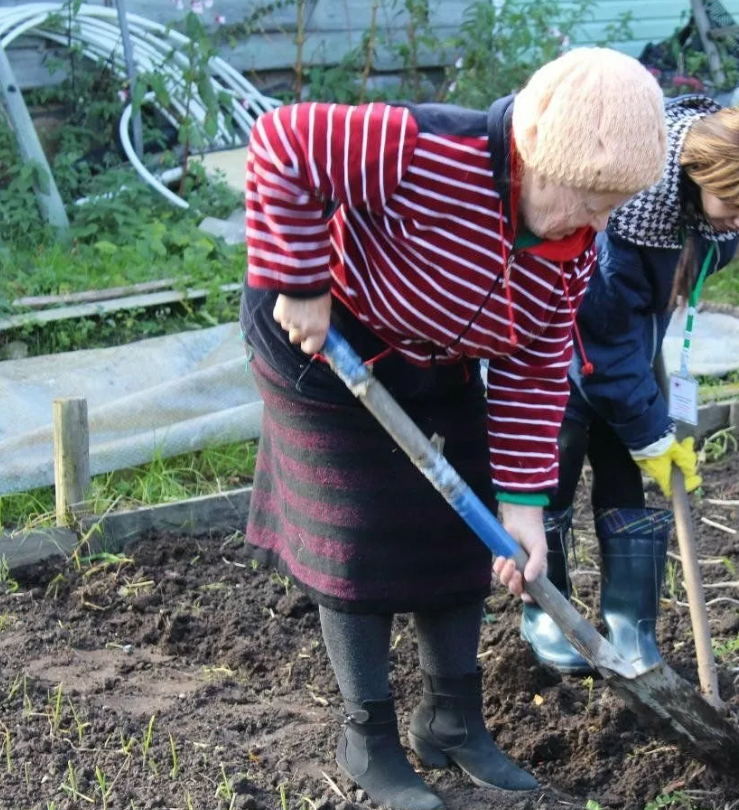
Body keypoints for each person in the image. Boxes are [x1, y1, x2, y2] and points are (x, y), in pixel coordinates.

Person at [239, 48, 668, 810]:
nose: (600, 220)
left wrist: (524, 507)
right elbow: (281, 143)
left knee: (460, 523)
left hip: (435, 353)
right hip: (323, 341)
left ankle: (452, 720)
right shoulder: (428, 151)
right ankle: (366, 737)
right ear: (537, 152)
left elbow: (536, 367)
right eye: (591, 194)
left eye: (615, 201)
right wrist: (300, 281)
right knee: (360, 532)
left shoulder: (570, 250)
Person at [520, 96, 739, 675]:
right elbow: (598, 344)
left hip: (627, 348)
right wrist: (653, 431)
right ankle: (547, 613)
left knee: (625, 475)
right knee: (553, 477)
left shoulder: (705, 193)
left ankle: (631, 628)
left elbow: (637, 326)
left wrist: (655, 418)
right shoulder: (629, 215)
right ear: (705, 174)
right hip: (560, 357)